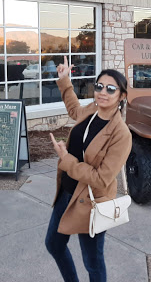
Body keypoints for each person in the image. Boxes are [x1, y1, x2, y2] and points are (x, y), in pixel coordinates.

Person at [46, 56, 132, 282]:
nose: (103, 92)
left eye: (111, 89)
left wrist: (66, 160)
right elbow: (75, 109)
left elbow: (101, 178)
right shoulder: (92, 110)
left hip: (91, 201)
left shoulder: (121, 134)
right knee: (54, 245)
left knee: (92, 262)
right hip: (66, 192)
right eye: (99, 86)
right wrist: (65, 81)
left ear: (121, 96)